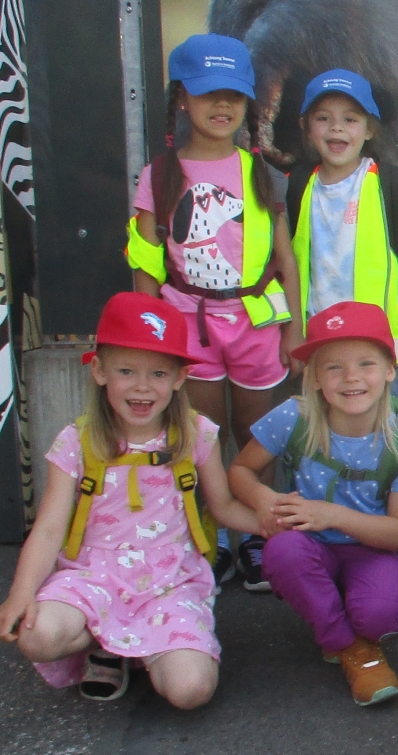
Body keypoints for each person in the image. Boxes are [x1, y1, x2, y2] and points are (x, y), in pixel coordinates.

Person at [0, 294, 260, 709]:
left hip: (169, 582)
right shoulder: (77, 441)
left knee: (190, 691)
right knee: (37, 636)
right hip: (92, 576)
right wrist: (20, 593)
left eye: (158, 373)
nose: (141, 386)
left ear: (180, 377)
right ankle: (108, 646)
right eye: (126, 371)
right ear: (99, 371)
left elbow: (223, 508)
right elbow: (48, 529)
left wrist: (274, 522)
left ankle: (143, 647)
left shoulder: (196, 434)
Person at [126, 33, 301, 587]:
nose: (221, 105)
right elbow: (146, 264)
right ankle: (212, 537)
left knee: (255, 434)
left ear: (249, 102)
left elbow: (285, 260)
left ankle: (257, 537)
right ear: (181, 99)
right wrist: (150, 340)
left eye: (234, 94)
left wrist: (295, 329)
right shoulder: (159, 175)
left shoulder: (262, 172)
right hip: (187, 324)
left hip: (253, 325)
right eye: (207, 93)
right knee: (202, 434)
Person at [228, 302, 398, 707]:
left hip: (370, 548)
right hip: (309, 546)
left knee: (382, 615)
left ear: (390, 370)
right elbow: (240, 470)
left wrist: (330, 514)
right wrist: (264, 499)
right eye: (334, 367)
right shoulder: (294, 417)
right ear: (316, 377)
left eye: (366, 363)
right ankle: (351, 648)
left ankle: (344, 609)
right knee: (282, 551)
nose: (351, 377)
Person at [285, 67, 398, 365]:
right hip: (318, 333)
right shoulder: (295, 186)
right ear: (306, 127)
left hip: (380, 338)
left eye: (350, 119)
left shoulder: (388, 183)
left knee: (383, 397)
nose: (336, 128)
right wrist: (292, 331)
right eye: (323, 118)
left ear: (369, 130)